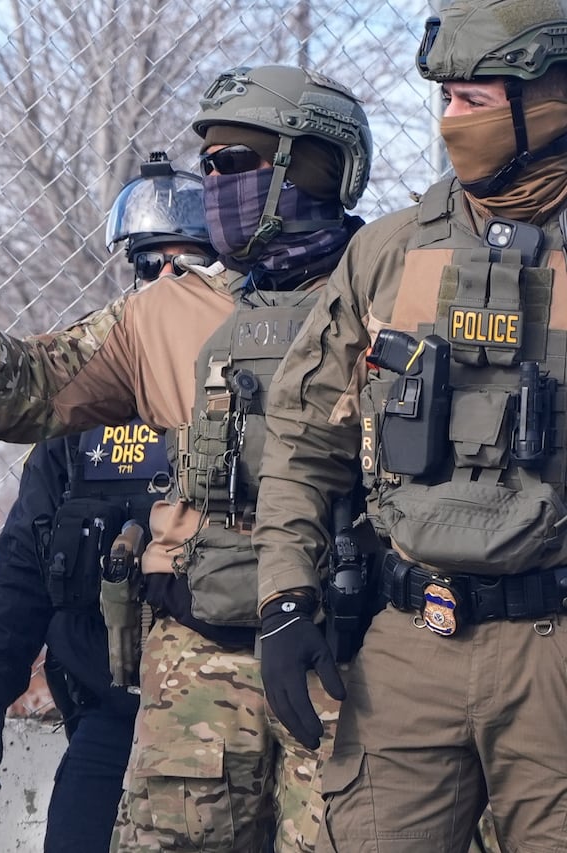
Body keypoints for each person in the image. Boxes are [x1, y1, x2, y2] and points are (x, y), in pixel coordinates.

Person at [0, 64, 372, 853]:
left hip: (349, 658)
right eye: (208, 166)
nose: (214, 182)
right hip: (198, 665)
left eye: (235, 164)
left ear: (312, 166)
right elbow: (21, 390)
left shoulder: (393, 286)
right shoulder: (163, 314)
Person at [254, 1, 567, 850]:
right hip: (408, 645)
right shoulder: (389, 252)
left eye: (473, 101)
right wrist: (286, 596)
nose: (449, 123)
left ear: (546, 105)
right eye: (445, 101)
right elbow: (301, 435)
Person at [0, 155, 213, 853]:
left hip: (223, 712)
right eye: (148, 266)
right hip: (108, 717)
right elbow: (24, 565)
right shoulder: (83, 421)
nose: (164, 287)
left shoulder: (246, 403)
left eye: (185, 268)